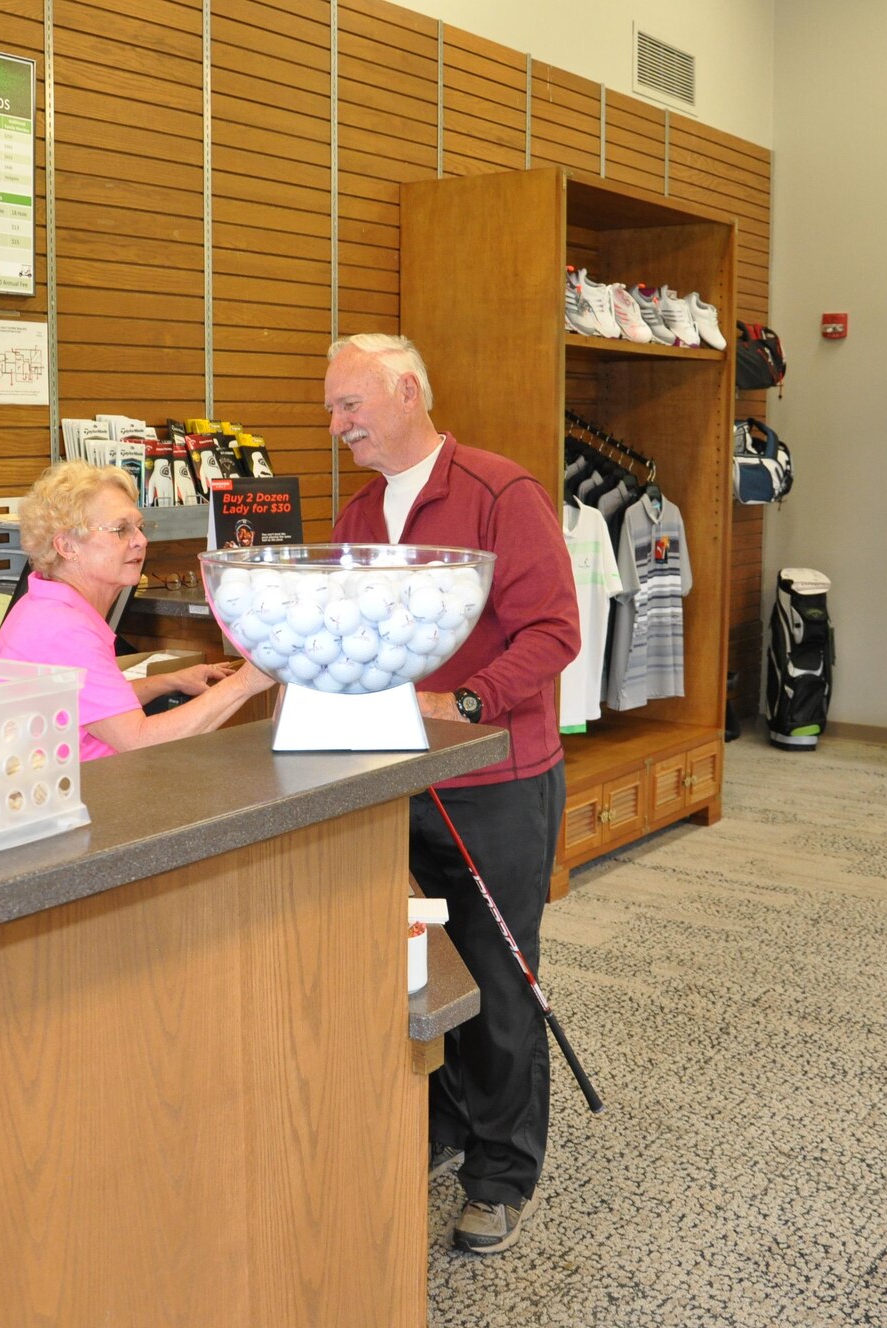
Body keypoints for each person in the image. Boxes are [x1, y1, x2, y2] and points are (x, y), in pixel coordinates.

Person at [325, 332, 579, 1254]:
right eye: (332, 408)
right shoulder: (357, 512)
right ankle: (441, 1126)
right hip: (394, 786)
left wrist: (464, 701)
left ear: (406, 390)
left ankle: (501, 1172)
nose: (338, 423)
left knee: (499, 977)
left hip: (497, 783)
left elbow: (554, 630)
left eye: (350, 404)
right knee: (418, 973)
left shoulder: (499, 491)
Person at [0, 461, 272, 758]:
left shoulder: (41, 605)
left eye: (139, 527)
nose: (141, 540)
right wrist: (247, 681)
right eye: (121, 530)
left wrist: (168, 681)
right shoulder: (64, 631)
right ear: (67, 546)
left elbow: (92, 705)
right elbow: (139, 741)